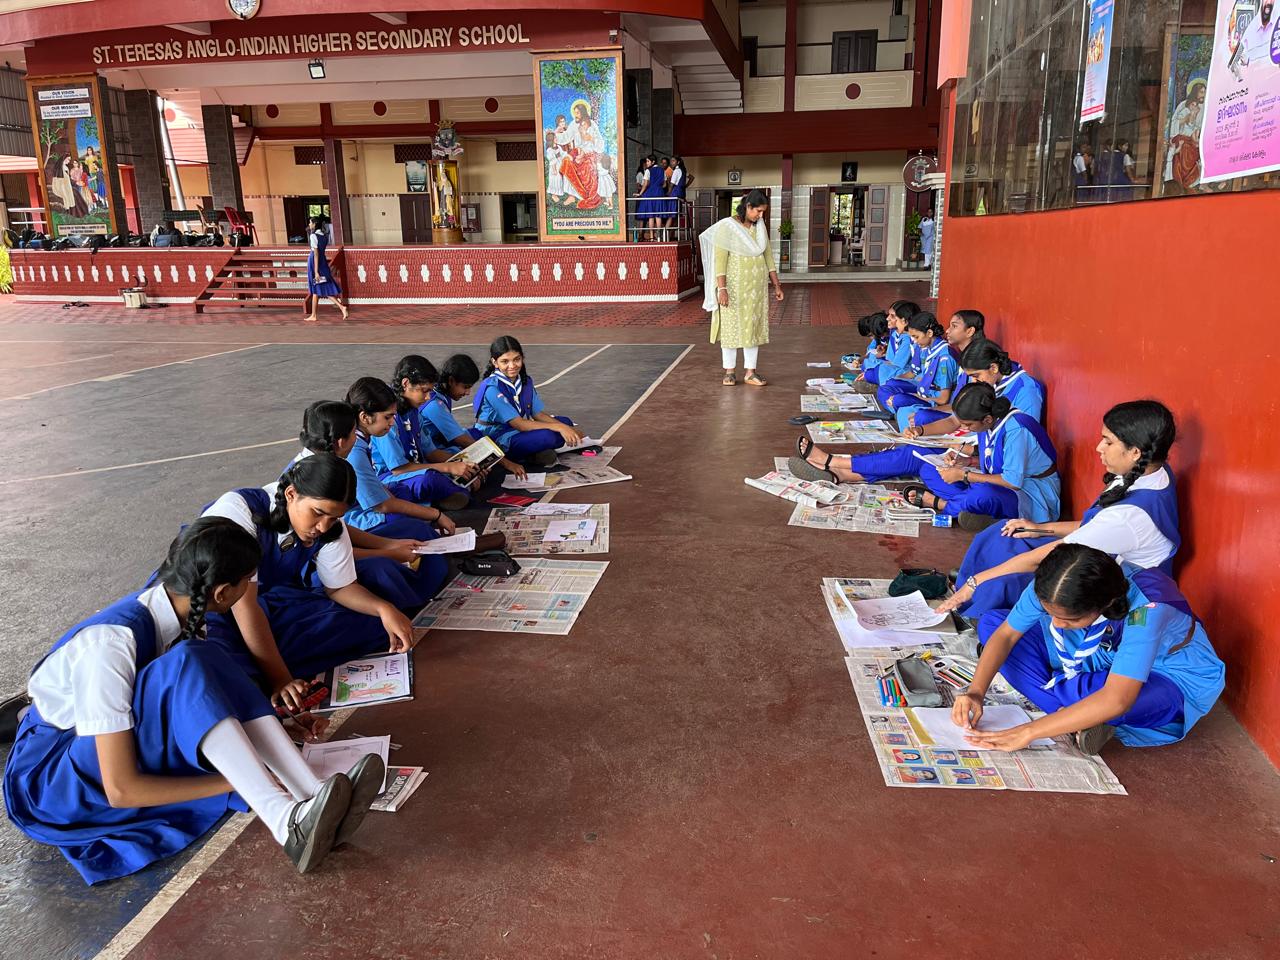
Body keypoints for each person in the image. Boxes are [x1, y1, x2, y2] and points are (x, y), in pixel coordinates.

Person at [0, 518, 383, 883]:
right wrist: (236, 780)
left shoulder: (182, 615)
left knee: (206, 657)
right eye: (248, 582)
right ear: (222, 593)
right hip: (53, 784)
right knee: (191, 661)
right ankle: (284, 820)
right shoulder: (109, 646)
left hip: (93, 753)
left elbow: (201, 703)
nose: (250, 591)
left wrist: (278, 730)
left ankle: (309, 790)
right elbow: (121, 789)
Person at [953, 545, 1224, 754]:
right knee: (992, 623)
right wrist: (976, 692)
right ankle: (1079, 715)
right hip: (1094, 652)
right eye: (1050, 613)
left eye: (1069, 619)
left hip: (1165, 672)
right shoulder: (1055, 583)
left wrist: (1028, 732)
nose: (1056, 624)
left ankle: (1076, 708)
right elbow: (1006, 635)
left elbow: (1118, 698)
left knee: (1104, 700)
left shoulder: (1147, 611)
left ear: (1104, 605)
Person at [941, 400, 1179, 620]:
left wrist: (978, 580)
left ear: (1136, 452)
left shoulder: (1128, 516)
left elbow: (1045, 557)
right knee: (1003, 533)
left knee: (1007, 578)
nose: (1099, 448)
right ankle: (968, 585)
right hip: (1096, 552)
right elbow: (1095, 525)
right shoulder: (1149, 471)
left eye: (1108, 441)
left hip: (1109, 583)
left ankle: (974, 601)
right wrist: (1040, 528)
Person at [201, 454, 420, 685]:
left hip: (275, 600)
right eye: (317, 513)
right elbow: (244, 607)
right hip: (223, 609)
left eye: (334, 518)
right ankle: (265, 668)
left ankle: (271, 661)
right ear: (291, 494)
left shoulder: (330, 526)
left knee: (374, 623)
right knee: (223, 666)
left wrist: (384, 609)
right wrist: (282, 681)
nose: (323, 527)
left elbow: (340, 588)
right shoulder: (240, 514)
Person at [791, 382, 1060, 531]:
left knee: (982, 495)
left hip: (1029, 498)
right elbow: (993, 461)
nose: (965, 429)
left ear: (987, 419)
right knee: (919, 456)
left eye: (968, 425)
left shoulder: (1016, 429)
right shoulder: (988, 423)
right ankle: (839, 468)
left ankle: (941, 504)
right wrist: (965, 462)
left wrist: (964, 474)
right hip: (990, 482)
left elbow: (1013, 480)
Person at [276, 401, 458, 613]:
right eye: (354, 432)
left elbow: (336, 528)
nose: (357, 437)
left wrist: (390, 545)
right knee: (381, 569)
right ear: (341, 441)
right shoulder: (308, 479)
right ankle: (411, 609)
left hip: (340, 542)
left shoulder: (333, 467)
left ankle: (424, 589)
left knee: (415, 528)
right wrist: (389, 552)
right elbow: (325, 549)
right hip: (317, 568)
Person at [371, 354, 480, 509]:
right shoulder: (387, 418)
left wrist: (464, 465)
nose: (428, 397)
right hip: (392, 477)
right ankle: (441, 496)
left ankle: (443, 494)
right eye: (424, 391)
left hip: (417, 466)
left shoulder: (413, 412)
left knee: (455, 462)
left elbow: (431, 452)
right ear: (406, 383)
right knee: (429, 479)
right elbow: (398, 469)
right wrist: (449, 468)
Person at [699, 188, 783, 387]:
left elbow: (768, 256)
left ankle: (750, 372)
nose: (760, 216)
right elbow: (720, 261)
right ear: (748, 207)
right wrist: (722, 289)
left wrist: (776, 285)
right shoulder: (727, 227)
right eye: (758, 211)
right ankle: (729, 372)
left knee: (752, 328)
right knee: (731, 328)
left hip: (756, 290)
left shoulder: (759, 228)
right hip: (733, 289)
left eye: (763, 212)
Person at [473, 335, 582, 466]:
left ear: (522, 358)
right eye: (505, 361)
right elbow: (519, 424)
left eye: (516, 359)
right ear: (495, 362)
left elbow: (538, 414)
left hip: (515, 431)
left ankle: (534, 451)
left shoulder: (525, 382)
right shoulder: (492, 388)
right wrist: (561, 428)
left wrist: (566, 428)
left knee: (566, 421)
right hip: (497, 437)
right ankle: (528, 455)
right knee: (549, 436)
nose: (512, 365)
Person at [906, 339, 1044, 439]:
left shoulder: (1026, 390)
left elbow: (1023, 437)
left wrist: (971, 454)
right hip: (975, 443)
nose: (973, 381)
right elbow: (954, 420)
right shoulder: (990, 383)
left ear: (993, 368)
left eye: (976, 376)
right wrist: (919, 430)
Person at [419, 353, 527, 477]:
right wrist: (506, 463)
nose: (468, 393)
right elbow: (461, 440)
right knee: (474, 468)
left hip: (438, 443)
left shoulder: (440, 394)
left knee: (477, 437)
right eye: (465, 387)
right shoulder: (434, 405)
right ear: (451, 381)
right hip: (432, 450)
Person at [875, 311, 959, 430]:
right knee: (885, 389)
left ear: (929, 333)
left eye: (916, 337)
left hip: (934, 400)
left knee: (900, 402)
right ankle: (902, 410)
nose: (914, 341)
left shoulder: (945, 358)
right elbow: (919, 376)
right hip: (924, 391)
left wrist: (913, 396)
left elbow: (943, 399)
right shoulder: (926, 348)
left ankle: (903, 411)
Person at [908, 309, 987, 427]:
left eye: (954, 326)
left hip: (967, 418)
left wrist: (928, 410)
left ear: (970, 331)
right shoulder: (963, 357)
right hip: (954, 409)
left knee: (920, 416)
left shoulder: (977, 363)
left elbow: (960, 406)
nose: (947, 330)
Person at [858, 301, 918, 387]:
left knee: (874, 374)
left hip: (904, 371)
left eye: (892, 316)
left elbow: (897, 365)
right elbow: (890, 360)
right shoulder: (894, 334)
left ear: (904, 320)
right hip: (894, 367)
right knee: (868, 364)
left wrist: (874, 372)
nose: (887, 318)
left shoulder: (908, 339)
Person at [304, 215, 348, 322]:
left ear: (314, 224)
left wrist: (316, 271)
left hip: (315, 263)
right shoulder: (324, 236)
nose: (309, 224)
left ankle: (315, 315)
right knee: (319, 288)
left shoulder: (313, 236)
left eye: (310, 222)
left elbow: (316, 254)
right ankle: (339, 308)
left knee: (316, 288)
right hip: (322, 263)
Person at [635, 155, 665, 241]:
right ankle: (658, 237)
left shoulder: (648, 170)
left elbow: (645, 184)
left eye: (648, 161)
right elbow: (664, 184)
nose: (647, 163)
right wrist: (658, 187)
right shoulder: (662, 170)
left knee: (650, 216)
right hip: (659, 193)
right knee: (658, 216)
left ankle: (651, 237)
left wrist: (640, 193)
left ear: (653, 162)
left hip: (650, 194)